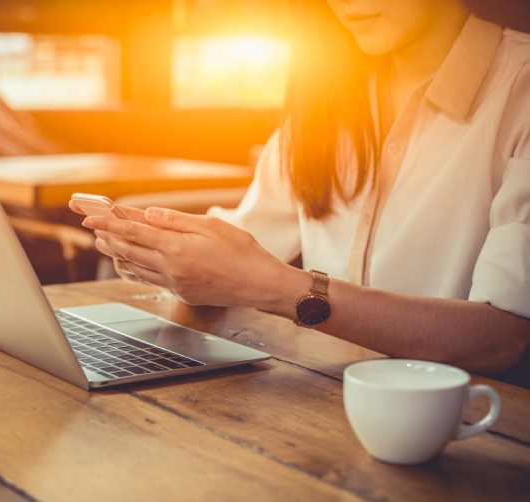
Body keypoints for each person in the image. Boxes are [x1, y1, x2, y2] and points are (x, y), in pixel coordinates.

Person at [71, 0, 530, 378]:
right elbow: (242, 248)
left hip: (469, 421)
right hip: (322, 398)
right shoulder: (327, 102)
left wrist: (284, 290)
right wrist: (161, 251)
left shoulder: (520, 90)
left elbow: (508, 338)